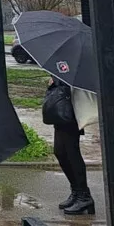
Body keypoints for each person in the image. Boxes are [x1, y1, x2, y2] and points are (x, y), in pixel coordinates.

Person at [42, 76, 95, 215]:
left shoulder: (79, 62)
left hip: (71, 107)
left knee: (71, 151)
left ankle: (84, 196)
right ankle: (76, 191)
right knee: (60, 152)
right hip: (62, 105)